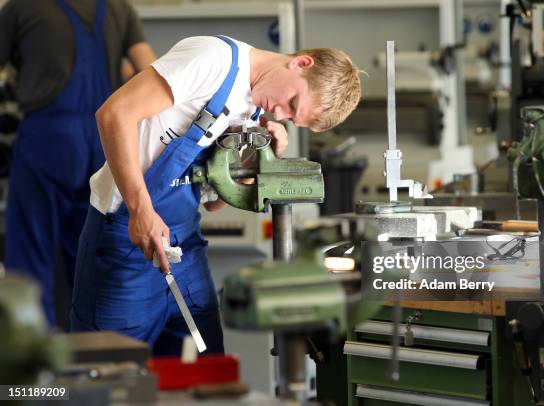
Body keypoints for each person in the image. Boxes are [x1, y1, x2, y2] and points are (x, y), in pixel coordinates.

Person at [70, 35, 361, 355]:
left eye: (291, 118)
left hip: (184, 243)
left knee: (201, 370)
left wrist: (252, 165)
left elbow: (213, 203)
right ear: (301, 63)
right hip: (126, 238)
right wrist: (141, 210)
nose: (280, 114)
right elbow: (114, 113)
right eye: (291, 104)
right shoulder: (214, 60)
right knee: (111, 373)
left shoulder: (252, 108)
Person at [0, 0, 156, 326]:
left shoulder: (21, 8)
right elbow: (149, 69)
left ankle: (32, 362)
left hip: (49, 139)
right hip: (106, 142)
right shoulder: (118, 8)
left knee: (30, 255)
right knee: (87, 258)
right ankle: (90, 361)